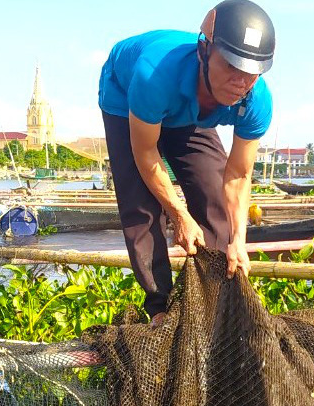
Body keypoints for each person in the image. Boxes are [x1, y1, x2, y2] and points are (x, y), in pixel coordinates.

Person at [98, 0, 275, 324]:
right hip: (127, 97)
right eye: (232, 66)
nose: (241, 81)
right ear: (203, 50)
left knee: (214, 194)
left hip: (187, 111)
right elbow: (146, 154)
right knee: (141, 206)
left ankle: (218, 297)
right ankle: (160, 308)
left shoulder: (255, 99)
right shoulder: (153, 75)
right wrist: (178, 213)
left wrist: (239, 240)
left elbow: (237, 174)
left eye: (251, 72)